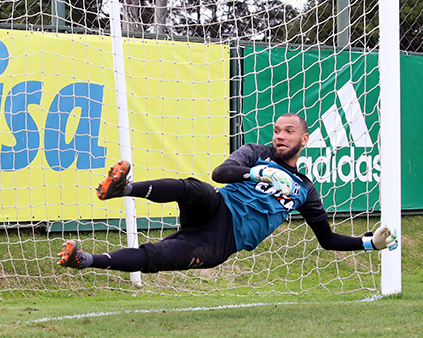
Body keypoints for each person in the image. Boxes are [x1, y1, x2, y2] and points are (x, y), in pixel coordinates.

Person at [58, 112, 398, 272]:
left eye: (289, 131)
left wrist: (371, 243)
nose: (280, 136)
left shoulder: (305, 189)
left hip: (224, 241)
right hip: (219, 209)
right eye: (277, 130)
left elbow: (327, 239)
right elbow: (220, 173)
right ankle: (122, 188)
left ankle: (85, 260)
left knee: (160, 255)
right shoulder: (256, 152)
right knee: (193, 188)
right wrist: (255, 171)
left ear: (304, 139)